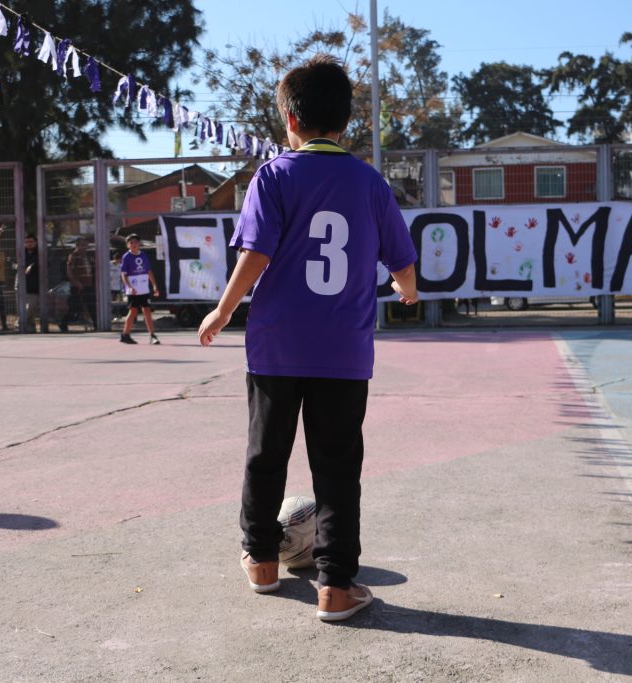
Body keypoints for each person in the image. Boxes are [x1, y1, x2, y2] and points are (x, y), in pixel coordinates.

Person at [197, 54, 418, 622]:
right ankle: (336, 588)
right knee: (338, 467)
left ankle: (263, 563)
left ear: (289, 120)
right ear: (346, 122)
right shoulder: (370, 182)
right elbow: (402, 260)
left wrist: (223, 310)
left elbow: (256, 254)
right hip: (343, 350)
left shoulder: (273, 175)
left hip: (276, 343)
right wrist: (407, 289)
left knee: (265, 453)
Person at [119, 235, 160, 345]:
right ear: (128, 245)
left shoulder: (143, 255)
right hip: (133, 289)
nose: (134, 244)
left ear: (139, 244)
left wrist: (154, 285)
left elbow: (149, 271)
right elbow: (124, 274)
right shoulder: (126, 257)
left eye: (136, 242)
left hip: (144, 288)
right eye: (131, 242)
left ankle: (152, 335)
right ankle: (125, 335)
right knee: (133, 311)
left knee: (147, 311)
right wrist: (129, 287)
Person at [61, 237, 96, 332]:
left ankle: (97, 325)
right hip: (78, 286)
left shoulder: (87, 256)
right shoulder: (74, 256)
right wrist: (76, 283)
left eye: (86, 245)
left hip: (88, 285)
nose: (84, 247)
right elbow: (69, 272)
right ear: (77, 246)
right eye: (82, 245)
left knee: (92, 306)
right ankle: (63, 323)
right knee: (75, 306)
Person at [17, 234, 40, 331]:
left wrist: (32, 266)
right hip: (22, 285)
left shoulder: (40, 252)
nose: (29, 244)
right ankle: (31, 328)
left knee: (31, 307)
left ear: (36, 242)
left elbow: (44, 263)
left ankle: (19, 323)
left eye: (31, 242)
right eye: (27, 242)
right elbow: (14, 263)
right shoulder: (21, 253)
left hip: (35, 286)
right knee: (30, 310)